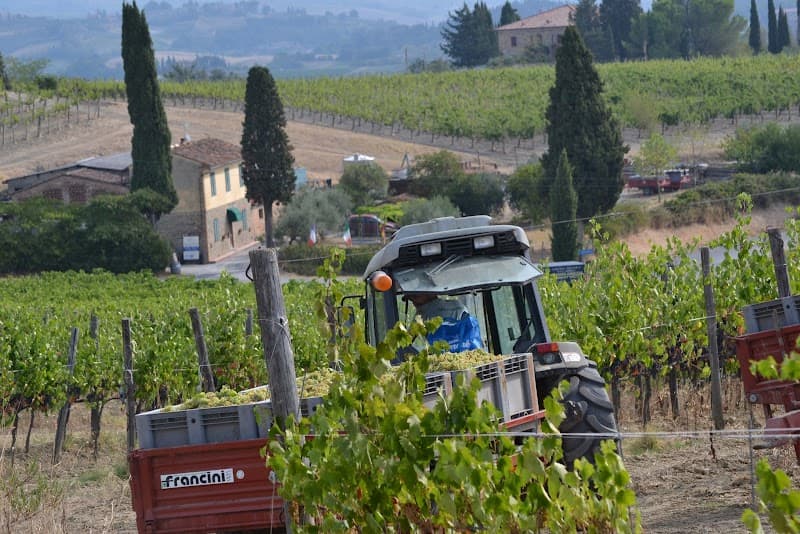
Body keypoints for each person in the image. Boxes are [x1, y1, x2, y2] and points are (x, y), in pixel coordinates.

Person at [405, 293, 482, 352]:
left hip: (444, 362)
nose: (413, 303)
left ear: (430, 294)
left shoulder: (423, 312)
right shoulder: (458, 305)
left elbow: (406, 341)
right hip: (468, 357)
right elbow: (470, 330)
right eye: (411, 300)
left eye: (415, 298)